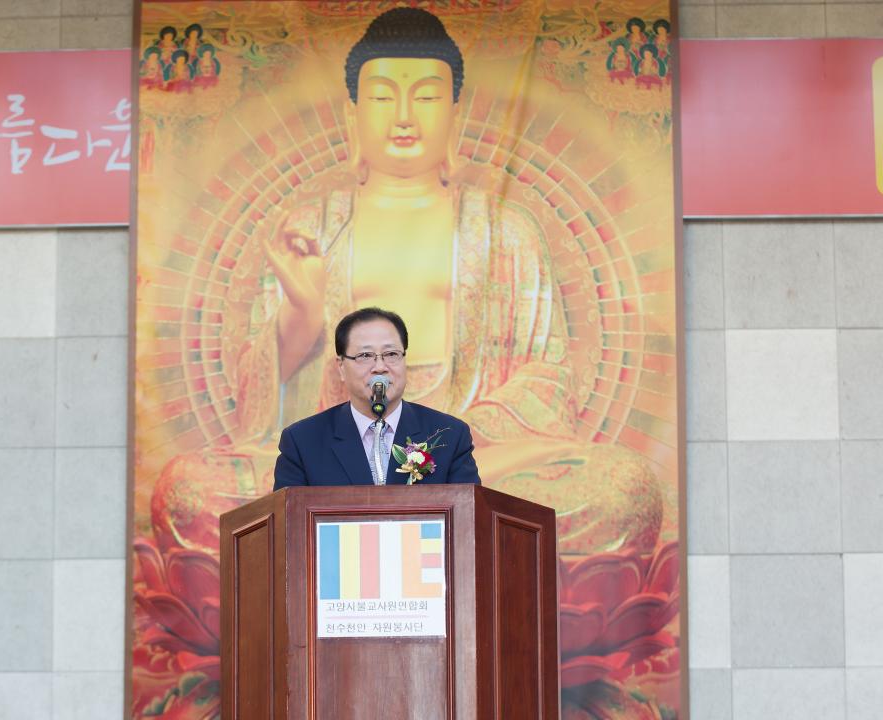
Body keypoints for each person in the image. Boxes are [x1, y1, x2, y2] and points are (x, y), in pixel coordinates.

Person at [155, 6, 661, 556]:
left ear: (454, 112)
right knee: (190, 491)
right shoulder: (310, 229)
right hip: (337, 462)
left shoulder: (505, 230)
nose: (403, 117)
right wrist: (300, 318)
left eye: (425, 97)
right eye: (380, 97)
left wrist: (439, 443)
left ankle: (403, 510)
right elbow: (265, 409)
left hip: (474, 456)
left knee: (621, 490)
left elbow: (547, 378)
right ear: (352, 113)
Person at [273, 308, 480, 488]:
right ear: (341, 367)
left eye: (391, 354)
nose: (380, 367)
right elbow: (290, 517)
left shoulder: (449, 436)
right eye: (365, 356)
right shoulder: (302, 442)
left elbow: (468, 513)